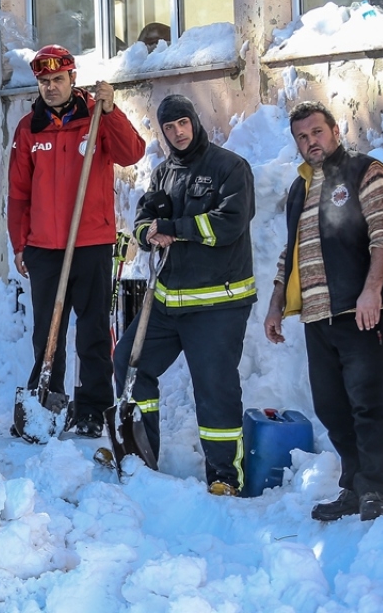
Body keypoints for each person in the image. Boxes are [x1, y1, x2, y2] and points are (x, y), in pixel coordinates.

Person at [263, 101, 383, 521]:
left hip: (359, 311)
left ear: (335, 131)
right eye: (302, 137)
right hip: (316, 316)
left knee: (368, 402)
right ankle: (354, 487)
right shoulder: (299, 189)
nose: (311, 142)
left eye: (317, 132)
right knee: (331, 407)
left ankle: (375, 489)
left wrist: (372, 291)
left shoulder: (366, 172)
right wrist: (275, 305)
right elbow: (292, 251)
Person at [117, 94, 255, 496]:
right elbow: (142, 222)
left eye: (183, 123)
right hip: (167, 303)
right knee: (129, 363)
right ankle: (141, 453)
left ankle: (225, 477)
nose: (178, 133)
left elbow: (229, 224)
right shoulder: (162, 175)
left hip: (218, 303)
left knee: (215, 388)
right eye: (169, 127)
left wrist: (175, 227)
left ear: (194, 121)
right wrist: (148, 230)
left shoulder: (229, 167)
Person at [7, 44, 146, 438]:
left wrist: (111, 111)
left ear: (73, 80)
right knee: (47, 331)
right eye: (44, 81)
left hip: (91, 243)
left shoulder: (96, 118)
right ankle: (45, 402)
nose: (51, 87)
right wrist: (20, 244)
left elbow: (132, 153)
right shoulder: (29, 128)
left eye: (58, 80)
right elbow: (18, 192)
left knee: (93, 332)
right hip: (44, 248)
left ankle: (91, 408)